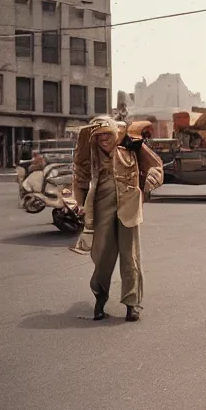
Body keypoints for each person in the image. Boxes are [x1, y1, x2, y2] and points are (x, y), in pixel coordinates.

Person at [72, 116, 163, 322]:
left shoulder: (131, 146)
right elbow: (79, 177)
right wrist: (76, 202)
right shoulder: (91, 154)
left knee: (130, 257)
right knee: (102, 256)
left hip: (128, 208)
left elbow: (155, 165)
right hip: (102, 208)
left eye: (107, 134)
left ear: (115, 133)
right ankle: (99, 299)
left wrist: (150, 180)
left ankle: (132, 305)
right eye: (99, 135)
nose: (104, 139)